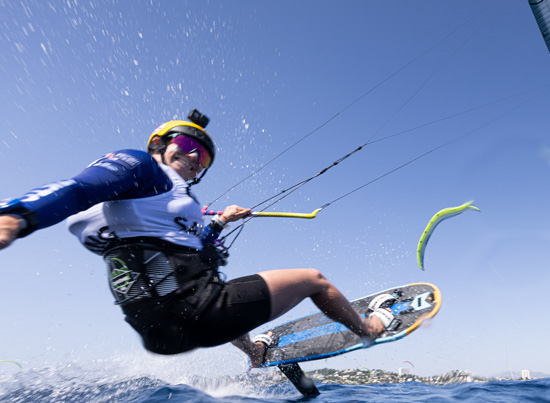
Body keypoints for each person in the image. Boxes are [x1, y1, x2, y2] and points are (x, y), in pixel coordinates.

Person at [0, 109, 392, 367]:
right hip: (199, 316)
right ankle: (369, 330)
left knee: (211, 280)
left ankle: (254, 352)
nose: (193, 159)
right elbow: (77, 189)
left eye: (201, 159)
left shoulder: (159, 208)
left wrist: (221, 222)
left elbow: (197, 246)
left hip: (159, 336)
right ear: (160, 144)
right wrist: (16, 217)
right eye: (187, 147)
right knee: (313, 279)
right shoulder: (142, 168)